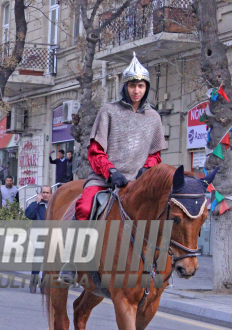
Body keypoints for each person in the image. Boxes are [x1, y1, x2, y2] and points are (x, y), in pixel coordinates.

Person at [60, 53, 165, 282]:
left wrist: (146, 171)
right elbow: (95, 150)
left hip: (138, 183)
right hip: (105, 179)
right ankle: (71, 259)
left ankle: (160, 265)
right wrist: (112, 172)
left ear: (146, 87)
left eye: (140, 86)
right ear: (124, 87)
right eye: (132, 85)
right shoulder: (108, 111)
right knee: (85, 208)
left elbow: (155, 154)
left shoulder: (154, 117)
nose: (136, 90)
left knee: (161, 213)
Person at [25, 185, 52, 293]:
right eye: (43, 192)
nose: (45, 194)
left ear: (51, 194)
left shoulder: (54, 205)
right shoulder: (36, 205)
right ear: (40, 194)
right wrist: (36, 203)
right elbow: (28, 214)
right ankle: (33, 283)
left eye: (47, 193)